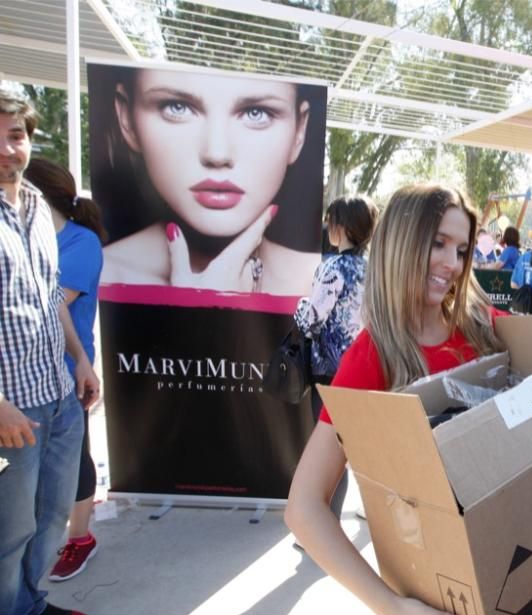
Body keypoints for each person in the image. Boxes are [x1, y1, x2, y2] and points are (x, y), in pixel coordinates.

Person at [284, 183, 532, 615]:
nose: (451, 262)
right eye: (437, 243)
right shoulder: (372, 358)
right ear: (401, 239)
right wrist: (391, 608)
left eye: (461, 248)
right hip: (452, 604)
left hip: (523, 564)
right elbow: (304, 507)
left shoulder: (480, 325)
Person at [0, 93, 101, 615]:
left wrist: (80, 361)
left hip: (58, 393)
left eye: (14, 134)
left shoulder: (37, 206)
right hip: (9, 410)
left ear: (29, 138)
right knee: (7, 529)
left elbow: (47, 298)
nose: (5, 149)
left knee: (48, 516)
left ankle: (29, 604)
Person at [91, 65, 325, 295]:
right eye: (177, 107)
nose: (217, 154)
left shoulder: (319, 283)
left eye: (257, 112)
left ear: (299, 131)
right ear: (127, 119)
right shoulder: (103, 273)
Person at [22, 159, 107, 583]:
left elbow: (53, 303)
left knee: (73, 460)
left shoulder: (81, 242)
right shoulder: (21, 239)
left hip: (70, 373)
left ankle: (79, 538)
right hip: (21, 376)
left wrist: (82, 364)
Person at [293, 195, 378, 517]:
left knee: (331, 447)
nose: (328, 226)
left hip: (329, 370)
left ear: (341, 226)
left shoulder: (332, 267)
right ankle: (371, 511)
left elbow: (310, 319)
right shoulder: (375, 269)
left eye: (331, 220)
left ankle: (325, 522)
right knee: (362, 444)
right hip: (368, 366)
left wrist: (300, 304)